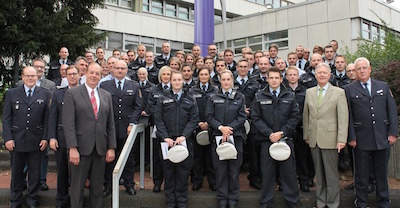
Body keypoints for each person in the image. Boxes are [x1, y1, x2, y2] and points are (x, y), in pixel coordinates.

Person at [345, 57, 398, 208]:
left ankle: (383, 202)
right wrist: (351, 137)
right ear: (355, 71)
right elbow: (348, 115)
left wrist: (393, 132)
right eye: (358, 69)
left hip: (382, 137)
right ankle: (361, 202)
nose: (361, 71)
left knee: (381, 174)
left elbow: (391, 110)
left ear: (370, 69)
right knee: (361, 175)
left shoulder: (383, 86)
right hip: (361, 139)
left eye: (364, 68)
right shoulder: (349, 89)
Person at [62, 62, 116, 208]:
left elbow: (110, 124)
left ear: (100, 76)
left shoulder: (106, 96)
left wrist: (111, 147)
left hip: (100, 149)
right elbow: (68, 123)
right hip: (80, 149)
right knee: (77, 188)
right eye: (91, 72)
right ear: (85, 73)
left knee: (97, 188)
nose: (94, 76)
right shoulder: (72, 93)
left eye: (97, 73)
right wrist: (72, 147)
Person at [252, 67, 301, 208]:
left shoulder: (290, 95)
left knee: (289, 173)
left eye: (276, 78)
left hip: (285, 139)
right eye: (271, 78)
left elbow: (295, 116)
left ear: (281, 79)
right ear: (267, 79)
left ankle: (292, 202)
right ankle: (266, 202)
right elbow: (255, 117)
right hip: (267, 140)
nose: (274, 80)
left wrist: (282, 132)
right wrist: (269, 134)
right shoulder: (259, 96)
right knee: (267, 174)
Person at [3, 66, 50, 208]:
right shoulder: (12, 93)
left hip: (36, 141)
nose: (30, 78)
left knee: (35, 173)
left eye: (33, 76)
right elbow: (6, 118)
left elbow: (47, 119)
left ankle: (32, 199)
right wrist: (8, 138)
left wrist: (45, 137)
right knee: (17, 173)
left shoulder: (45, 93)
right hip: (17, 140)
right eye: (27, 76)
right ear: (22, 77)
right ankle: (16, 200)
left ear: (37, 77)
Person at [303, 63, 348, 208]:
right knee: (319, 174)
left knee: (331, 174)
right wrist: (306, 135)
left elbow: (343, 117)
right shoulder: (309, 92)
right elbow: (306, 115)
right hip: (314, 138)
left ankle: (333, 202)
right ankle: (321, 202)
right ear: (315, 75)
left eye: (324, 72)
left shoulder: (338, 92)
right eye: (319, 72)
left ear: (330, 75)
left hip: (331, 138)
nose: (322, 75)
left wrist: (341, 139)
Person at [155, 71, 199, 208]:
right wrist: (165, 137)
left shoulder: (190, 98)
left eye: (179, 80)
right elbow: (158, 119)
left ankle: (181, 201)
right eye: (174, 80)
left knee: (183, 172)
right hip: (167, 141)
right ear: (170, 81)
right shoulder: (162, 98)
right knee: (168, 172)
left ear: (182, 81)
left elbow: (194, 119)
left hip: (184, 141)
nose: (177, 82)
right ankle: (170, 201)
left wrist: (184, 135)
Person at [100, 60, 141, 197]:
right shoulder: (104, 85)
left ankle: (129, 185)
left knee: (128, 159)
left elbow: (138, 106)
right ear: (112, 69)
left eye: (123, 68)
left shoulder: (134, 86)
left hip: (126, 128)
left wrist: (133, 122)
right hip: (109, 128)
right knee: (109, 158)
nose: (120, 70)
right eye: (117, 68)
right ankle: (108, 186)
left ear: (127, 70)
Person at [206, 70, 246, 208]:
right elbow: (209, 117)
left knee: (234, 170)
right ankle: (222, 198)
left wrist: (229, 129)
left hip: (236, 137)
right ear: (220, 81)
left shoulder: (240, 97)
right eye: (223, 79)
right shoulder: (213, 97)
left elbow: (242, 117)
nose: (226, 82)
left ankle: (233, 198)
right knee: (221, 169)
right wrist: (221, 128)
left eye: (228, 79)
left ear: (232, 80)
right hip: (218, 137)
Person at [49, 65, 80, 208]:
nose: (72, 76)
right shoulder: (58, 94)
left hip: (80, 137)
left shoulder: (85, 92)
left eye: (75, 74)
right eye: (70, 74)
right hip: (61, 137)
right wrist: (52, 137)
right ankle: (61, 200)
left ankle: (76, 200)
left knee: (77, 172)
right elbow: (52, 117)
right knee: (62, 171)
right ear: (66, 76)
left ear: (80, 75)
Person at [189, 67, 218, 192]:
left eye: (206, 74)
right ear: (198, 76)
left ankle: (213, 182)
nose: (204, 76)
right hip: (197, 127)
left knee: (211, 157)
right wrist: (199, 123)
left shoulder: (216, 90)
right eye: (202, 74)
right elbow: (190, 109)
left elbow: (218, 109)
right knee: (197, 157)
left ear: (209, 76)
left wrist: (209, 123)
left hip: (212, 127)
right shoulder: (192, 91)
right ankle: (197, 181)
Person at [285, 66, 314, 192]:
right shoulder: (283, 91)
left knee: (304, 156)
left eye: (294, 74)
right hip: (287, 128)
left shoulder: (306, 91)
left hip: (302, 127)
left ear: (298, 76)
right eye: (289, 75)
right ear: (286, 77)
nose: (292, 77)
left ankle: (305, 179)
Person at [147, 66, 172, 193]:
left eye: (168, 74)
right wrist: (160, 116)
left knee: (170, 158)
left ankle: (169, 183)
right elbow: (150, 106)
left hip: (172, 128)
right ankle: (157, 183)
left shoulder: (176, 89)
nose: (166, 76)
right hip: (159, 128)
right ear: (160, 76)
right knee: (157, 157)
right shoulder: (154, 90)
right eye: (164, 74)